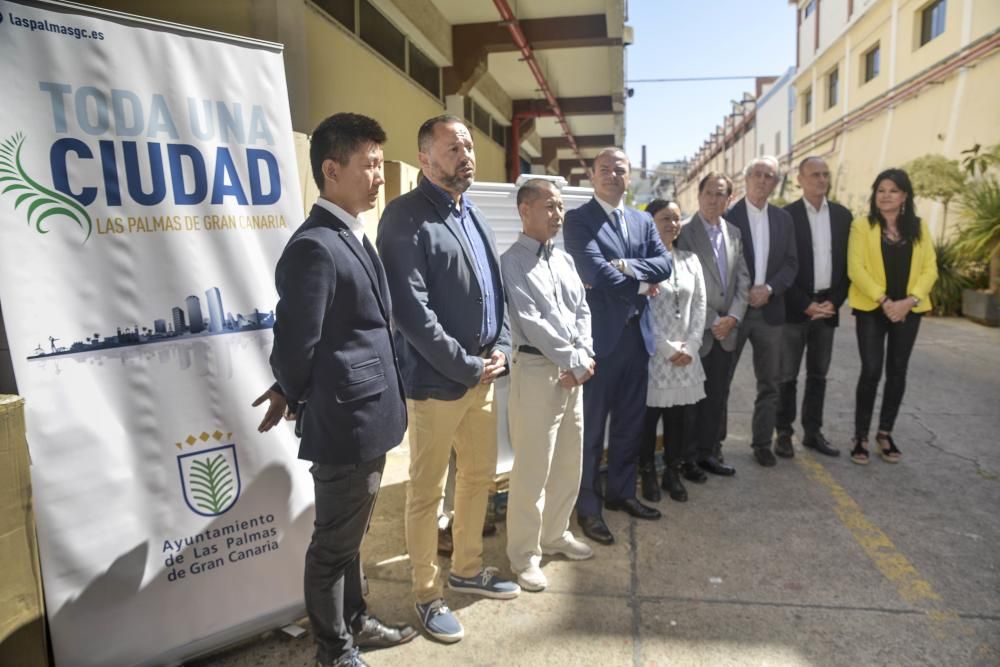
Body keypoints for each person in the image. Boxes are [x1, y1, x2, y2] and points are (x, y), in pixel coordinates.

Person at [265, 113, 415, 667]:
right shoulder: (316, 247)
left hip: (368, 417)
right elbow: (294, 345)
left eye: (380, 163)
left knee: (348, 539)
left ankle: (356, 622)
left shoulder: (351, 232)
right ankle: (336, 650)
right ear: (331, 170)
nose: (380, 176)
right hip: (345, 424)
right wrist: (291, 390)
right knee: (332, 548)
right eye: (370, 165)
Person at [376, 115, 518, 644]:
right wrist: (466, 365)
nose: (466, 154)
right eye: (453, 146)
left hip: (482, 375)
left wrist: (500, 346)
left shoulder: (472, 213)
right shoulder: (404, 218)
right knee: (426, 491)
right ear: (425, 159)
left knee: (478, 478)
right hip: (438, 384)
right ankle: (427, 593)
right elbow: (411, 312)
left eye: (468, 145)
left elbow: (495, 292)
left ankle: (467, 567)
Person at [563, 147, 672, 546]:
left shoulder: (643, 221)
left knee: (629, 427)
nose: (612, 174)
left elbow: (665, 264)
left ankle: (621, 493)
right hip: (598, 342)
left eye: (619, 169)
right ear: (592, 176)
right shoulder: (578, 219)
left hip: (636, 340)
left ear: (630, 177)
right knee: (590, 432)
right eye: (604, 169)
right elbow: (591, 269)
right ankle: (588, 508)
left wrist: (625, 268)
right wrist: (642, 282)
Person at [501, 179, 596, 592]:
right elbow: (530, 322)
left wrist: (584, 357)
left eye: (560, 208)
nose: (558, 215)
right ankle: (524, 555)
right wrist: (574, 360)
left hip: (573, 374)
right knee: (532, 470)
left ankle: (555, 534)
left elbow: (583, 311)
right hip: (538, 372)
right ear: (525, 210)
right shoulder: (512, 262)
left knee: (568, 462)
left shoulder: (565, 260)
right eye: (549, 207)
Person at [847, 168, 938, 464]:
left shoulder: (920, 228)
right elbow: (855, 268)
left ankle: (884, 433)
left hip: (909, 311)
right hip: (872, 308)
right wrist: (885, 301)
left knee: (897, 370)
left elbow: (930, 269)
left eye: (893, 190)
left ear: (904, 196)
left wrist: (909, 301)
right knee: (871, 370)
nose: (886, 196)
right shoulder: (862, 226)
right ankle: (860, 435)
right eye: (881, 190)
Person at [724, 156, 798, 467]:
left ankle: (762, 442)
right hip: (734, 313)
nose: (762, 180)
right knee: (722, 380)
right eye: (757, 174)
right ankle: (712, 445)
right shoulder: (728, 217)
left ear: (775, 183)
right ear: (746, 178)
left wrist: (768, 289)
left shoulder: (783, 220)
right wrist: (744, 294)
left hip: (770, 311)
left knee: (770, 382)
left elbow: (792, 264)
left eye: (769, 176)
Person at [676, 173, 750, 479]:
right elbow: (681, 284)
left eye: (721, 194)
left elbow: (743, 279)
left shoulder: (733, 232)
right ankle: (687, 458)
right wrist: (712, 321)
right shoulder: (684, 233)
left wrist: (733, 317)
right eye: (709, 193)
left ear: (729, 199)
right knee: (693, 400)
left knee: (716, 398)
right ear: (699, 195)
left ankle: (708, 453)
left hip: (726, 332)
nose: (713, 199)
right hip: (698, 330)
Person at [777, 157, 852, 457]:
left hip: (828, 307)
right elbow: (781, 266)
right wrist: (805, 304)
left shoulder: (843, 217)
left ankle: (813, 432)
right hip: (796, 308)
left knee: (819, 375)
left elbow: (849, 266)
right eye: (814, 174)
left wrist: (833, 302)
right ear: (800, 178)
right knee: (787, 376)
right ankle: (783, 433)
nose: (821, 180)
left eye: (825, 174)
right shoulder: (786, 216)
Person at [637, 200, 707, 503]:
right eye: (665, 218)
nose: (672, 224)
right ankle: (648, 472)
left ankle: (673, 472)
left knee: (681, 419)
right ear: (650, 222)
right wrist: (666, 348)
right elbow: (642, 308)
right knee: (649, 421)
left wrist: (691, 345)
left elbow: (701, 305)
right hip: (656, 355)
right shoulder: (643, 260)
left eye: (677, 219)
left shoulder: (691, 260)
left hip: (687, 355)